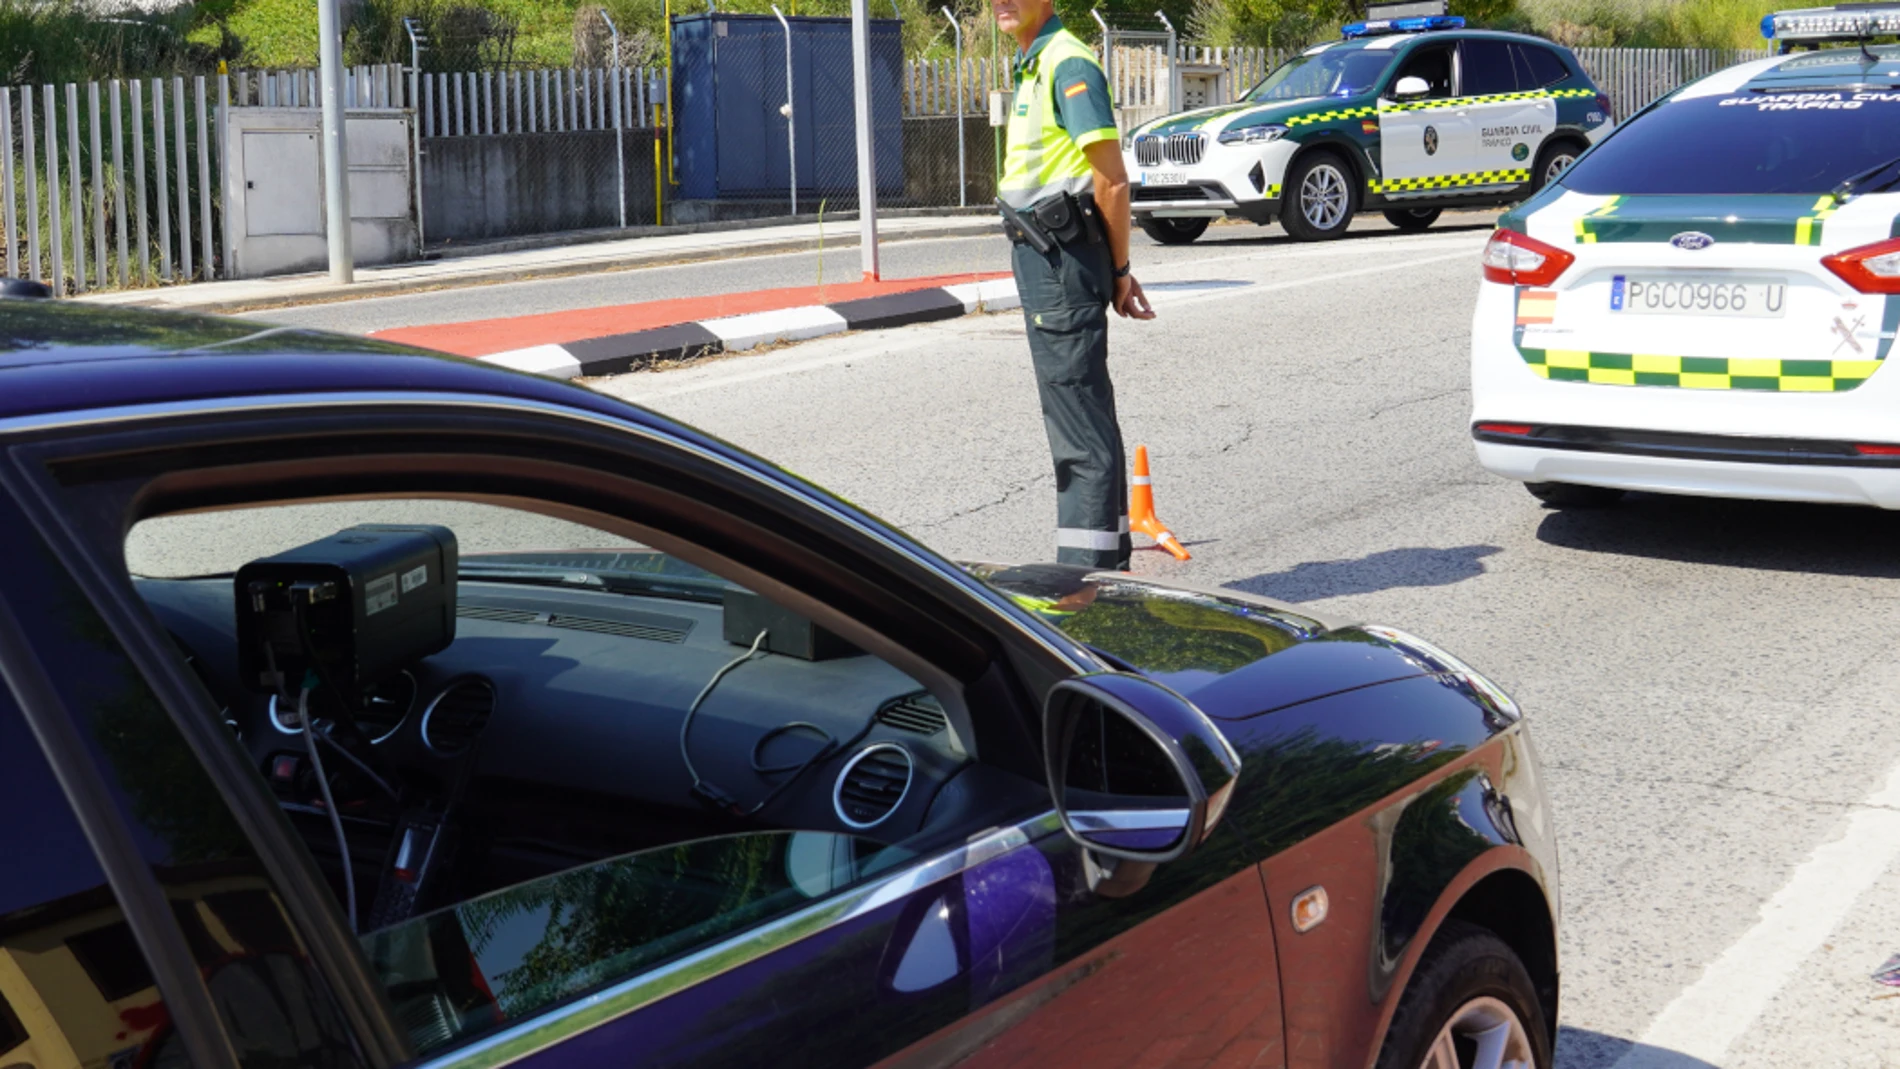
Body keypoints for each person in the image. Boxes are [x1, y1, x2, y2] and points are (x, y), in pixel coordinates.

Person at [995, 0, 1154, 571]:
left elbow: (1111, 178)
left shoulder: (1067, 63)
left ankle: (1085, 593)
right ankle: (1109, 577)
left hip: (1059, 259)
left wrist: (1117, 270)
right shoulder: (1037, 63)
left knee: (1077, 432)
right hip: (1050, 256)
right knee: (1087, 415)